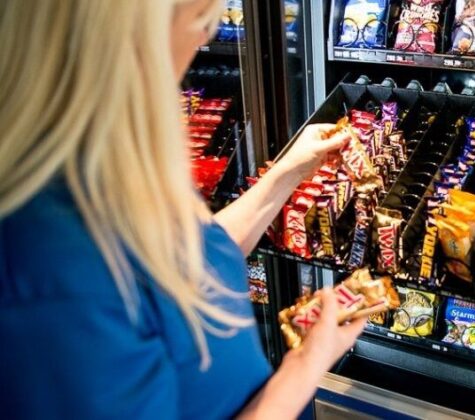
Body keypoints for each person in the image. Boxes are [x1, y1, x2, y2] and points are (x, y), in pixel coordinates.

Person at [0, 0, 367, 418]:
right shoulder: (44, 280)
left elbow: (189, 255)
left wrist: (287, 173)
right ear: (123, 41)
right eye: (197, 17)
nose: (207, 35)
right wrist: (305, 366)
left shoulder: (94, 164)